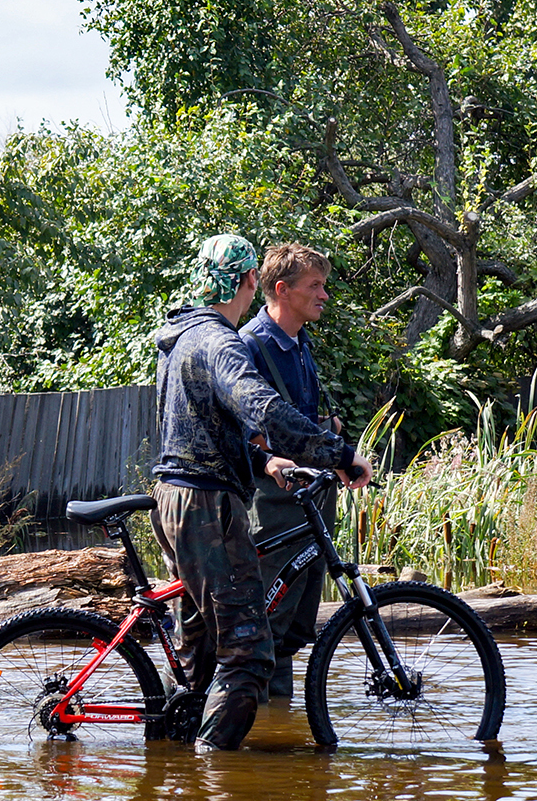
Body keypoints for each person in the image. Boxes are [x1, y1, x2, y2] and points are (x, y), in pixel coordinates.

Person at [150, 234, 372, 751]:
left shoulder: (181, 336)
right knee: (249, 654)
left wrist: (263, 459)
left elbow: (204, 432)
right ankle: (210, 776)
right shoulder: (222, 342)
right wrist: (339, 454)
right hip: (207, 506)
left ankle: (167, 758)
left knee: (200, 651)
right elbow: (265, 412)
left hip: (176, 495)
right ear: (251, 282)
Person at [241, 243, 341, 701]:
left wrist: (326, 430)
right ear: (281, 290)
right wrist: (269, 457)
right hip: (273, 501)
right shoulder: (250, 347)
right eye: (314, 286)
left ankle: (279, 726)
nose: (324, 295)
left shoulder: (301, 343)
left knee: (298, 619)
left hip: (310, 498)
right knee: (267, 616)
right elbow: (238, 431)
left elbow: (295, 419)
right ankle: (257, 725)